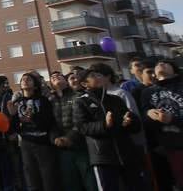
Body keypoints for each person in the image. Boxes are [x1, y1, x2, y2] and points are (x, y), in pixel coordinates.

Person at [73, 67, 140, 191]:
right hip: (102, 157)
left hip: (126, 153)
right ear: (84, 84)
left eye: (100, 74)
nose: (99, 77)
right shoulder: (81, 102)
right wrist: (105, 125)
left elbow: (134, 123)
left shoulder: (116, 99)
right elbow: (82, 127)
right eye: (94, 76)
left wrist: (130, 121)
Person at [6, 72, 58, 191]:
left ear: (35, 85)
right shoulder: (17, 102)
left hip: (43, 143)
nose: (25, 80)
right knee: (31, 179)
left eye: (29, 79)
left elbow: (49, 122)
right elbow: (15, 129)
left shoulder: (43, 100)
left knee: (48, 179)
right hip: (26, 144)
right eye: (23, 79)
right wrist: (12, 116)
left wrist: (33, 117)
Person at [48, 71, 94, 191]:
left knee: (90, 182)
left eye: (59, 76)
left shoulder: (77, 95)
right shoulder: (51, 100)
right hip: (62, 148)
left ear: (66, 81)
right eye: (52, 77)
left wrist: (70, 138)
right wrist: (55, 139)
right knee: (70, 183)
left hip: (81, 145)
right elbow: (50, 123)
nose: (56, 77)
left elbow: (80, 120)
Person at [141, 58, 183, 189]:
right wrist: (149, 115)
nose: (160, 65)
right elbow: (144, 118)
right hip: (167, 146)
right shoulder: (147, 92)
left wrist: (173, 120)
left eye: (165, 63)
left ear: (175, 70)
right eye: (157, 64)